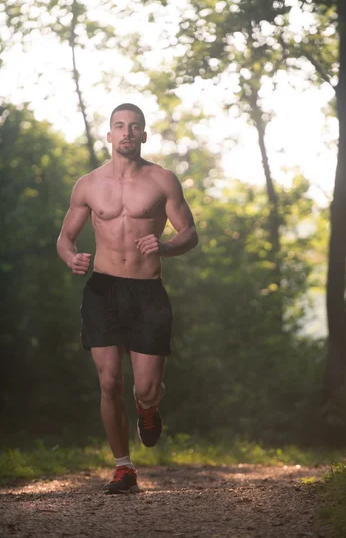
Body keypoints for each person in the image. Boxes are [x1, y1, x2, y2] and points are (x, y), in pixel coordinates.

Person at [57, 103, 198, 494]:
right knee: (109, 382)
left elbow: (190, 232)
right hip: (102, 289)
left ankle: (148, 409)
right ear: (109, 135)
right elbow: (65, 238)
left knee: (145, 388)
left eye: (134, 127)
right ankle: (123, 467)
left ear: (144, 135)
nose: (127, 133)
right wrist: (72, 258)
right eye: (119, 126)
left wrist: (165, 245)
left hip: (147, 291)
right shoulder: (88, 185)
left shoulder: (162, 180)